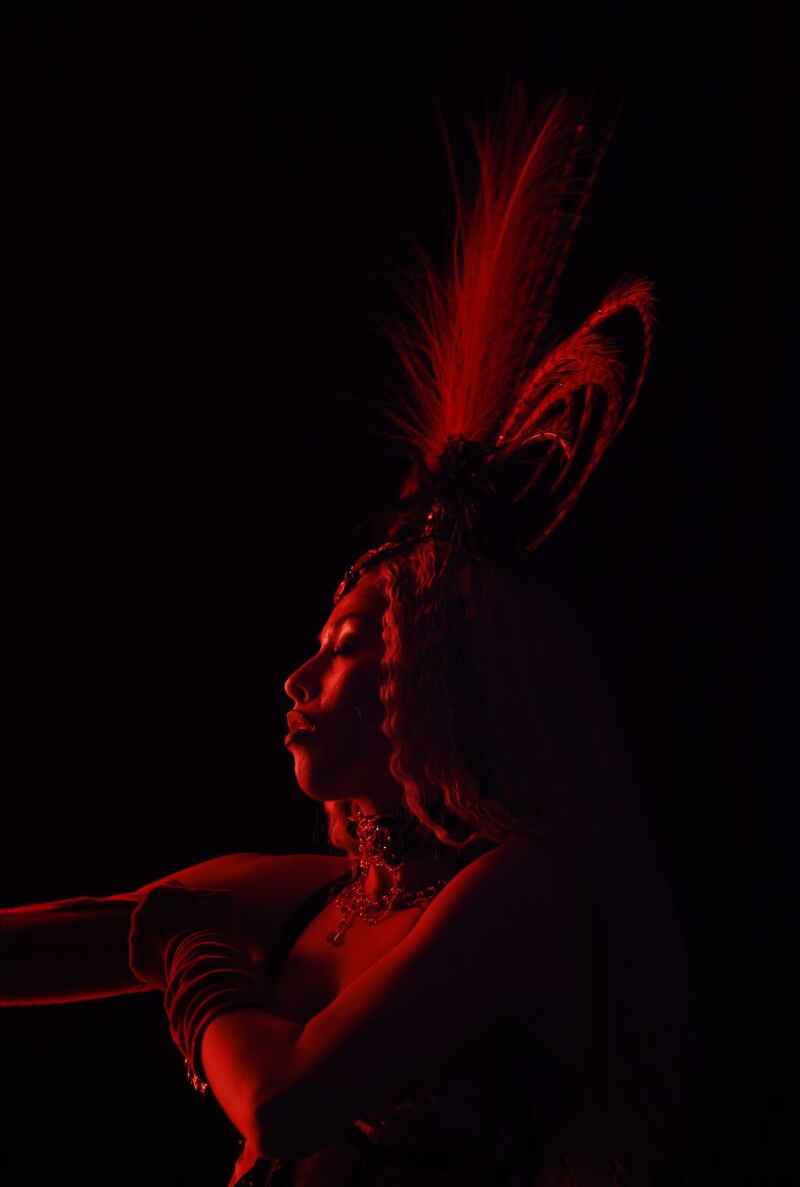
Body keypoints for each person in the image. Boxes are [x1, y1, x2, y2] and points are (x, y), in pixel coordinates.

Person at [0, 86, 699, 1185]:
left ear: (441, 682)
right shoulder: (319, 897)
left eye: (340, 642)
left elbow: (282, 1101)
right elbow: (81, 929)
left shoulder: (523, 890)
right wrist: (169, 928)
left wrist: (190, 950)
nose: (297, 672)